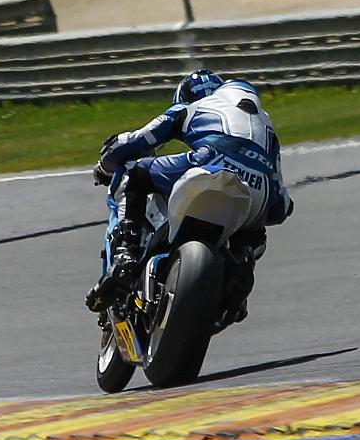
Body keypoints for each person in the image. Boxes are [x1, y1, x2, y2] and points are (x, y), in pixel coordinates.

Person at [84, 70, 293, 316]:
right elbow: (281, 207)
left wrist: (105, 165)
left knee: (135, 172)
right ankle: (239, 276)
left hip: (211, 160)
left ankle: (126, 254)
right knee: (255, 231)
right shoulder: (267, 129)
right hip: (261, 190)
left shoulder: (188, 109)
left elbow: (136, 142)